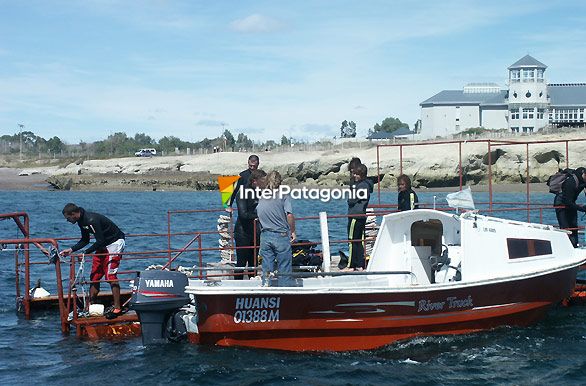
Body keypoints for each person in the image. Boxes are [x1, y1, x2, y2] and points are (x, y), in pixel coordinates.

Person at [60, 203, 126, 319]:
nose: (68, 221)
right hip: (103, 244)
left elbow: (100, 240)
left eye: (68, 218)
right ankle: (90, 305)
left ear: (74, 214)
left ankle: (117, 308)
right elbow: (85, 240)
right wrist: (71, 250)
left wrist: (85, 253)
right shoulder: (81, 221)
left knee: (110, 276)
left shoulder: (91, 219)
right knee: (95, 275)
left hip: (115, 242)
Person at [257, 171, 296, 286]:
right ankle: (285, 291)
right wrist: (293, 231)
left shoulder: (263, 195)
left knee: (267, 267)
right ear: (280, 181)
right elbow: (289, 214)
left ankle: (266, 287)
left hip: (265, 234)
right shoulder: (283, 194)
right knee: (284, 267)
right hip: (280, 234)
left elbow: (260, 212)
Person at [234, 169, 266, 279]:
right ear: (254, 181)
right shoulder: (243, 192)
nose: (264, 185)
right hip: (242, 232)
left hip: (255, 231)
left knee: (253, 262)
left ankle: (252, 284)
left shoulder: (261, 192)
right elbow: (243, 214)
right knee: (241, 262)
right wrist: (259, 216)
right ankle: (237, 285)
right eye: (262, 182)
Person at [343, 164, 373, 271]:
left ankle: (351, 265)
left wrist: (351, 196)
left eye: (356, 174)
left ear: (362, 175)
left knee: (352, 240)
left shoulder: (361, 186)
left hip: (356, 215)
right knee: (359, 241)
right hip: (360, 215)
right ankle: (360, 264)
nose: (354, 176)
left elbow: (352, 200)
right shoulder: (365, 185)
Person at [554, 167, 586, 247]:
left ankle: (575, 245)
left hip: (571, 203)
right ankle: (566, 246)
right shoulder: (571, 182)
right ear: (584, 174)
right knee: (565, 227)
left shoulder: (583, 181)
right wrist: (581, 209)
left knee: (574, 225)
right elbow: (568, 201)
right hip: (561, 204)